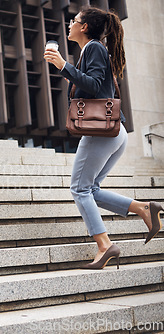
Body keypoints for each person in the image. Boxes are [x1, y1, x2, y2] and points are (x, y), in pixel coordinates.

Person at [44, 7, 163, 269]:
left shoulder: (94, 48)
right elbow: (95, 83)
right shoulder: (92, 49)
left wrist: (63, 66)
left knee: (79, 188)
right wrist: (68, 69)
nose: (70, 24)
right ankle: (144, 208)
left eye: (74, 21)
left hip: (103, 133)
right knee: (91, 189)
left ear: (84, 27)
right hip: (113, 132)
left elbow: (96, 85)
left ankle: (105, 245)